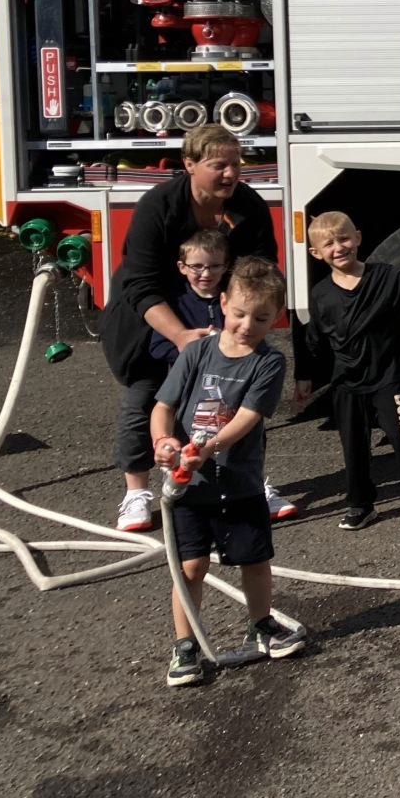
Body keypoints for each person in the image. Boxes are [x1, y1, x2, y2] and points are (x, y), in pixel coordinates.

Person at [103, 123, 281, 534]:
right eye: (219, 165)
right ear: (189, 164)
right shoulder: (159, 206)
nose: (231, 174)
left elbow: (260, 271)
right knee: (145, 397)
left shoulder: (247, 205)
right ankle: (136, 492)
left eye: (236, 164)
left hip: (219, 313)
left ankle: (248, 485)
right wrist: (181, 336)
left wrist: (242, 326)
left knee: (230, 401)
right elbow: (140, 284)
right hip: (152, 316)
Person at [151, 257, 303, 687]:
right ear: (222, 304)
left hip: (240, 482)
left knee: (255, 559)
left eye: (260, 317)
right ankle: (185, 646)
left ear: (276, 317)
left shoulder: (268, 363)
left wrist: (208, 446)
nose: (246, 325)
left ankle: (261, 625)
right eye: (238, 314)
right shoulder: (197, 351)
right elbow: (163, 407)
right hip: (187, 486)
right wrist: (165, 443)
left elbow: (248, 416)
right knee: (191, 566)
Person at [298, 211, 400, 532]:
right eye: (329, 243)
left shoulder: (385, 277)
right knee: (354, 448)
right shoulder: (321, 293)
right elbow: (315, 338)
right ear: (316, 253)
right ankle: (361, 504)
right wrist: (304, 377)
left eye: (345, 238)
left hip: (388, 379)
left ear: (359, 238)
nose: (339, 247)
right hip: (346, 383)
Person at [147, 228, 227, 364]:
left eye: (215, 266)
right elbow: (158, 347)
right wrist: (193, 353)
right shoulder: (174, 303)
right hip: (189, 377)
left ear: (225, 266)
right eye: (197, 266)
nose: (206, 274)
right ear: (182, 267)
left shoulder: (233, 299)